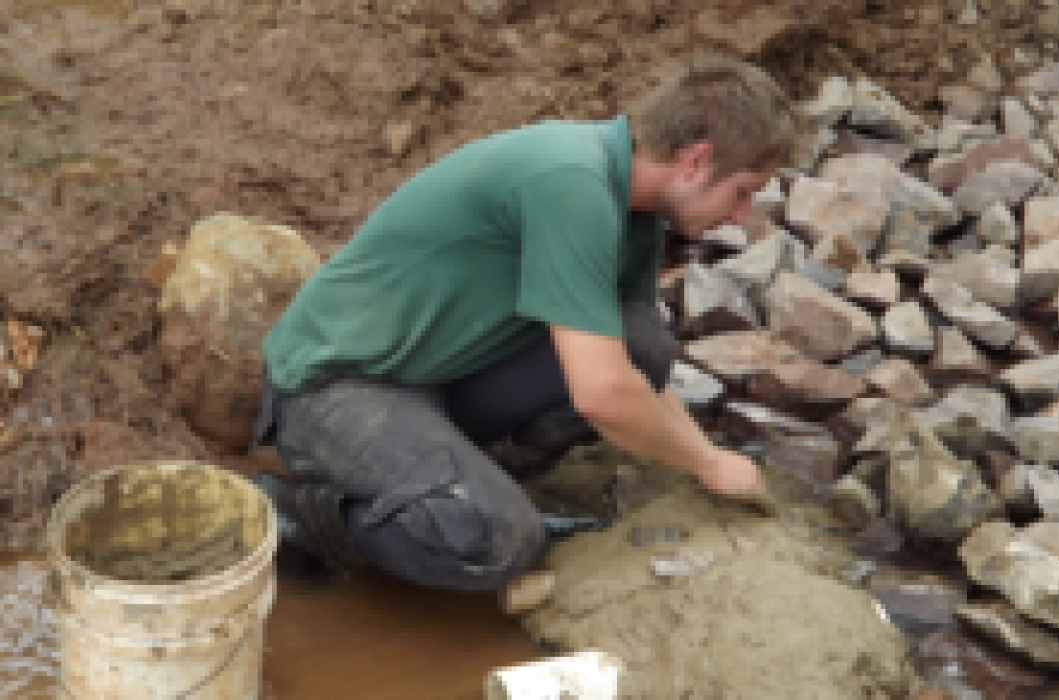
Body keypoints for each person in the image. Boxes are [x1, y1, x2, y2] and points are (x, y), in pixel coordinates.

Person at [249, 52, 800, 590]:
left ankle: (470, 478)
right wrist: (706, 462)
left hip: (441, 375)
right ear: (696, 161)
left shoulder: (636, 213)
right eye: (742, 192)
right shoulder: (572, 181)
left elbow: (627, 368)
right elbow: (602, 394)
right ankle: (304, 513)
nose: (740, 217)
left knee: (642, 345)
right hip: (336, 385)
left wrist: (704, 454)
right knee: (496, 539)